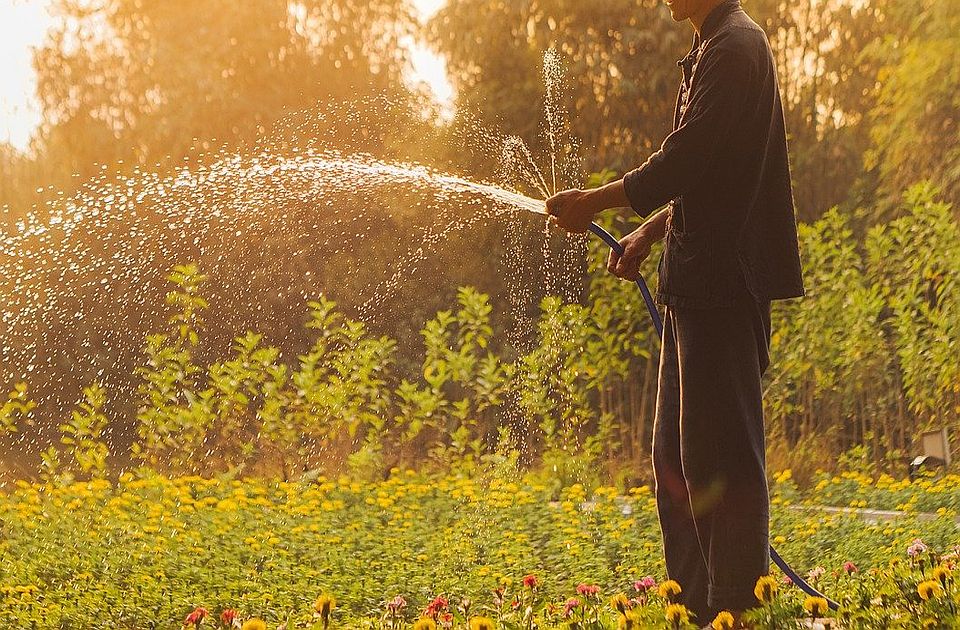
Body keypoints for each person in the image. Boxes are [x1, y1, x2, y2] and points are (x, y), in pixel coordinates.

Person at [545, 0, 805, 627]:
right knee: (675, 462)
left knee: (724, 464)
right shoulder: (709, 47)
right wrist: (651, 233)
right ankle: (691, 607)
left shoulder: (737, 49)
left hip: (723, 288)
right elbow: (706, 177)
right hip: (691, 285)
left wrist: (596, 202)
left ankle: (735, 610)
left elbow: (685, 160)